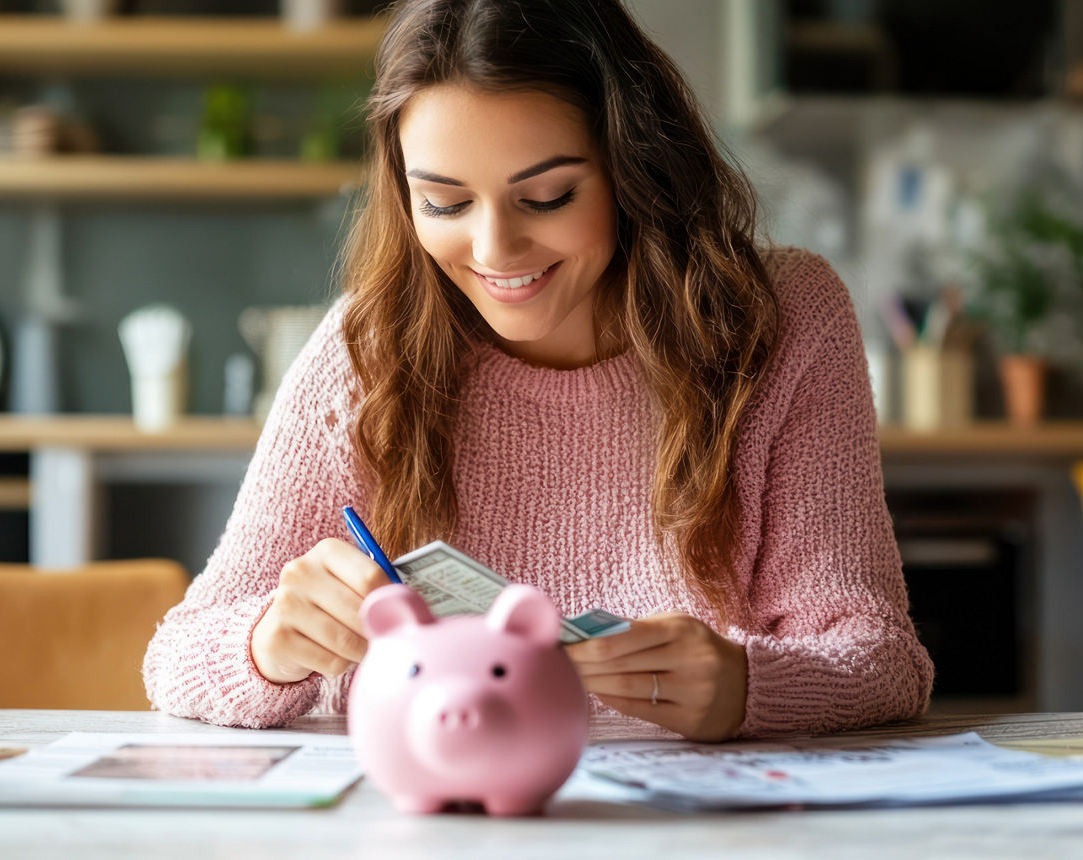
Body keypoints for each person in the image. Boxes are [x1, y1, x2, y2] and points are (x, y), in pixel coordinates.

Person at [144, 0, 934, 741]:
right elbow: (175, 658)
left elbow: (882, 659)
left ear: (635, 166)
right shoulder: (369, 348)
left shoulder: (782, 321)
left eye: (548, 196)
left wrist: (747, 687)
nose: (494, 253)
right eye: (446, 205)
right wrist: (266, 648)